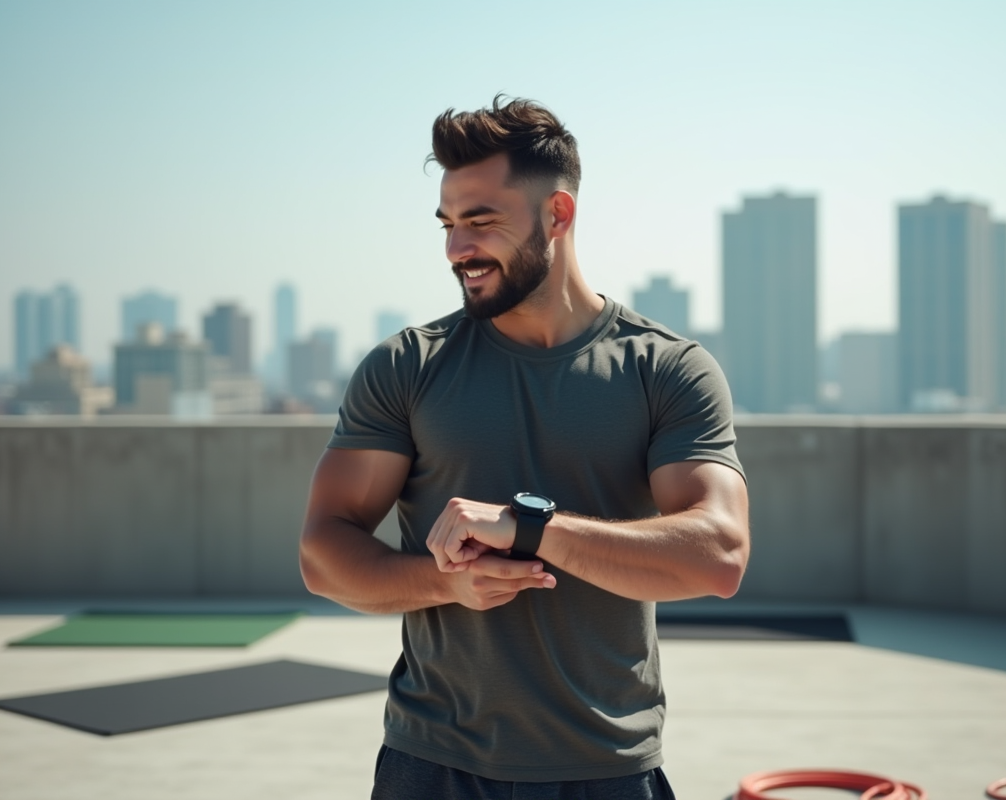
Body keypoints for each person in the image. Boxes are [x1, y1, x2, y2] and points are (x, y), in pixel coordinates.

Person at [299, 95, 750, 799]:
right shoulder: (407, 366)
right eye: (448, 225)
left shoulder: (665, 369)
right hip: (432, 766)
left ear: (558, 215)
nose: (456, 249)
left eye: (480, 222)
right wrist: (445, 582)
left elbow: (719, 555)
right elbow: (324, 554)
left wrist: (531, 530)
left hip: (609, 767)